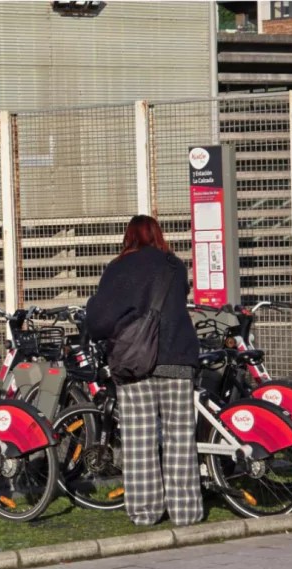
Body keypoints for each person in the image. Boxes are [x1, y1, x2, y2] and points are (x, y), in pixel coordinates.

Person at [86, 214, 203, 527]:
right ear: (157, 235)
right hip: (177, 359)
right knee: (181, 438)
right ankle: (186, 512)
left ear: (129, 237)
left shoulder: (118, 268)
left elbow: (101, 319)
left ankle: (145, 512)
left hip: (135, 363)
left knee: (140, 442)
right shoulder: (174, 266)